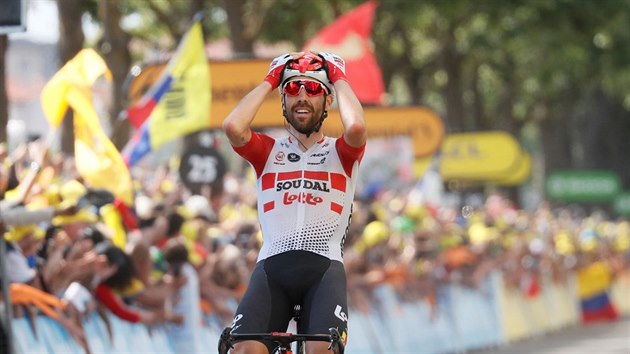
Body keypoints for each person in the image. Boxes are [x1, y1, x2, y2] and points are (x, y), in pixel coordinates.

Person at [222, 51, 367, 354]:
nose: (302, 96)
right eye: (292, 89)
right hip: (272, 269)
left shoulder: (340, 152)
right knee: (243, 349)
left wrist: (338, 76)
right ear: (283, 101)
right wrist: (270, 79)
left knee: (320, 351)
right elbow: (233, 127)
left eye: (313, 89)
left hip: (323, 269)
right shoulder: (268, 150)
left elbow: (356, 129)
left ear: (328, 102)